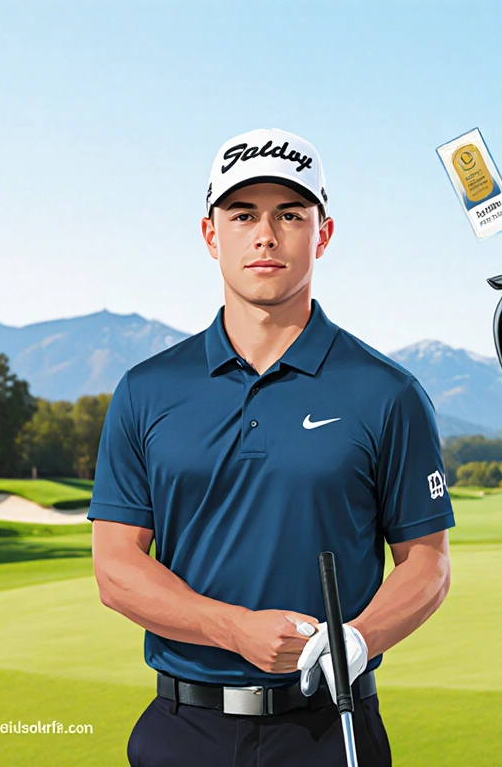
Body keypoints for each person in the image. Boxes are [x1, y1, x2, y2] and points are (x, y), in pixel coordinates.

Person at [88, 128, 455, 766]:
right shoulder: (146, 390)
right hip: (182, 730)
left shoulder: (387, 392)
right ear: (211, 235)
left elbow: (427, 564)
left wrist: (359, 641)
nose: (266, 234)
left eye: (290, 214)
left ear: (324, 233)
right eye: (243, 215)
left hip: (327, 729)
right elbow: (115, 569)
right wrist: (231, 629)